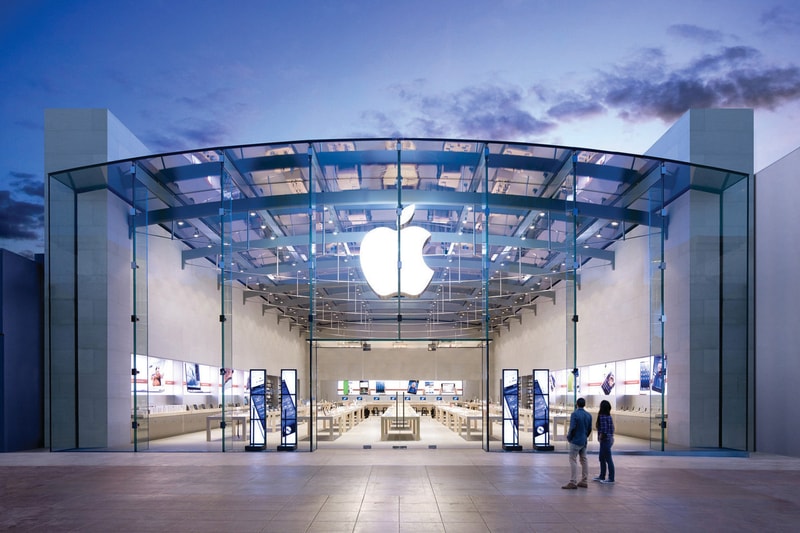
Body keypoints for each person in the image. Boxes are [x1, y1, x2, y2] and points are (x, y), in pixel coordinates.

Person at [562, 397, 592, 489]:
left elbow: (572, 427)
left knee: (573, 460)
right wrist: (585, 437)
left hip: (575, 440)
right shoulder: (588, 415)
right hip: (583, 440)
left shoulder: (574, 414)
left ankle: (573, 481)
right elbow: (589, 429)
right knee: (584, 460)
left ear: (577, 404)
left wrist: (569, 437)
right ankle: (584, 480)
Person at [593, 399, 616, 484]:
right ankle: (602, 476)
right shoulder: (609, 416)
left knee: (607, 459)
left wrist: (600, 437)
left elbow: (603, 429)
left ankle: (611, 478)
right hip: (609, 439)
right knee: (602, 458)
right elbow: (612, 428)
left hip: (604, 440)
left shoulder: (602, 416)